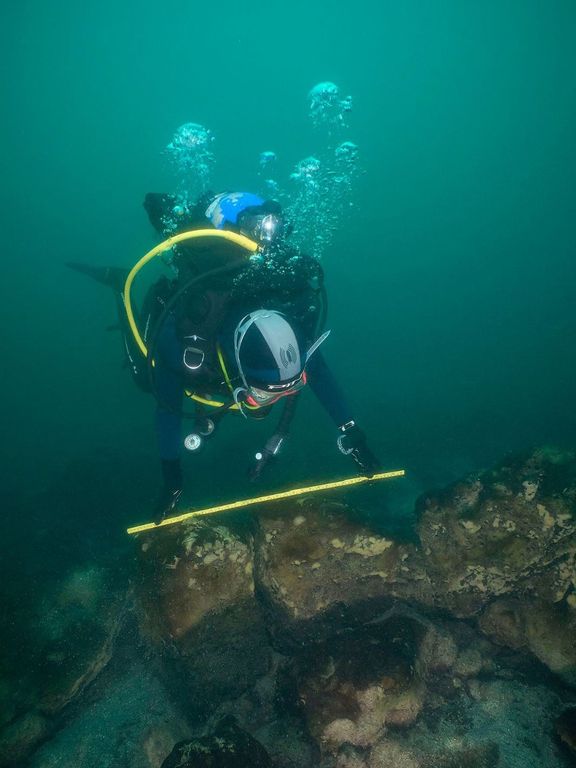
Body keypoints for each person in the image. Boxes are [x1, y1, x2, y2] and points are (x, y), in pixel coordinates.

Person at [69, 191, 380, 522]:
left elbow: (317, 369)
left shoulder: (292, 329)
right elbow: (168, 409)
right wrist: (172, 474)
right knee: (145, 378)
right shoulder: (190, 345)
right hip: (187, 332)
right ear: (243, 374)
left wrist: (352, 433)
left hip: (242, 328)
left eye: (289, 389)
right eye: (263, 393)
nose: (268, 403)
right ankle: (120, 287)